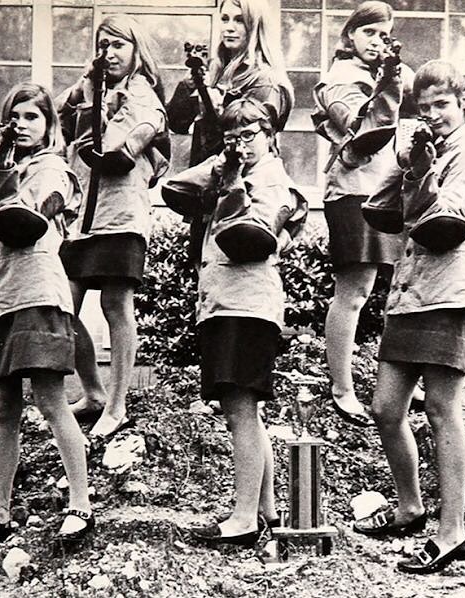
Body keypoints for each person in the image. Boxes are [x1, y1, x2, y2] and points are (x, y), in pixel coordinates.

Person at [0, 82, 94, 544]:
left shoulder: (53, 169)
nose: (22, 125)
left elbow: (23, 217)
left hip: (36, 295)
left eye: (32, 116)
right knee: (3, 409)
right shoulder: (1, 163)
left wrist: (1, 170)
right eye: (14, 117)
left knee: (50, 400)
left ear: (50, 124)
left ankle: (81, 504)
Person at [162, 97, 307, 546]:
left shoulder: (272, 181)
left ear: (271, 136)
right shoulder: (232, 169)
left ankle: (244, 518)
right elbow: (176, 187)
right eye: (231, 137)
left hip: (246, 304)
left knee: (240, 411)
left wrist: (232, 182)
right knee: (245, 412)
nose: (240, 144)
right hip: (224, 302)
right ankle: (265, 512)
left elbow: (253, 235)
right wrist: (222, 165)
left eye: (248, 135)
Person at [353, 60, 465, 574]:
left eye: (442, 104)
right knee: (386, 408)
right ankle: (410, 508)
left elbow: (441, 221)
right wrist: (406, 160)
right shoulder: (428, 147)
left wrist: (422, 172)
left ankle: (452, 533)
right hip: (409, 292)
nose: (434, 115)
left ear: (463, 101)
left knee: (442, 409)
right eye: (424, 108)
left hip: (448, 293)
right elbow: (381, 209)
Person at [56, 14, 169, 438]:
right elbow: (55, 116)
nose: (109, 53)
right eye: (103, 45)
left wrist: (96, 105)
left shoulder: (142, 96)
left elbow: (119, 145)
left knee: (115, 305)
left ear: (137, 51)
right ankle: (94, 392)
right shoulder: (90, 90)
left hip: (121, 215)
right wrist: (86, 89)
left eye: (118, 44)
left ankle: (117, 405)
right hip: (81, 217)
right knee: (61, 308)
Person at [312, 1, 416, 427]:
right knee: (354, 293)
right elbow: (365, 129)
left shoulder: (389, 73)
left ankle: (403, 382)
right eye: (368, 32)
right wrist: (392, 82)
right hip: (354, 192)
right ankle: (342, 387)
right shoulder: (339, 78)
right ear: (350, 35)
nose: (376, 41)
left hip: (390, 191)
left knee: (397, 290)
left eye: (383, 34)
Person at [166, 0, 294, 264]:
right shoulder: (215, 72)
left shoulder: (264, 80)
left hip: (248, 194)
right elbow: (176, 123)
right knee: (206, 272)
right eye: (225, 19)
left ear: (255, 26)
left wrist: (217, 110)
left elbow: (250, 144)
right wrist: (190, 87)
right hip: (211, 191)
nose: (229, 27)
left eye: (239, 20)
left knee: (240, 269)